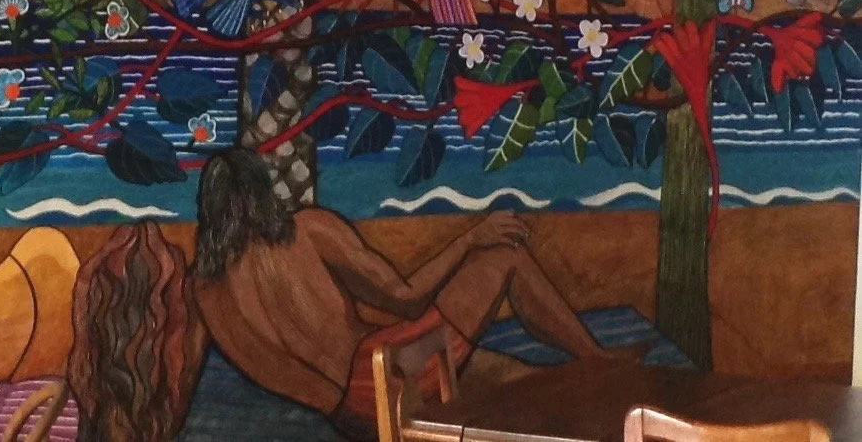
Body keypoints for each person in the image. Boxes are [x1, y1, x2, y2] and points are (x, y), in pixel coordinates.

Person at [191, 148, 635, 438]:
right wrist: (470, 238)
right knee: (505, 257)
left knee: (500, 374)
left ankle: (584, 394)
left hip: (351, 416)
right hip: (385, 373)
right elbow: (405, 297)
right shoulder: (306, 231)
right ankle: (597, 358)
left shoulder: (206, 290)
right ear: (263, 193)